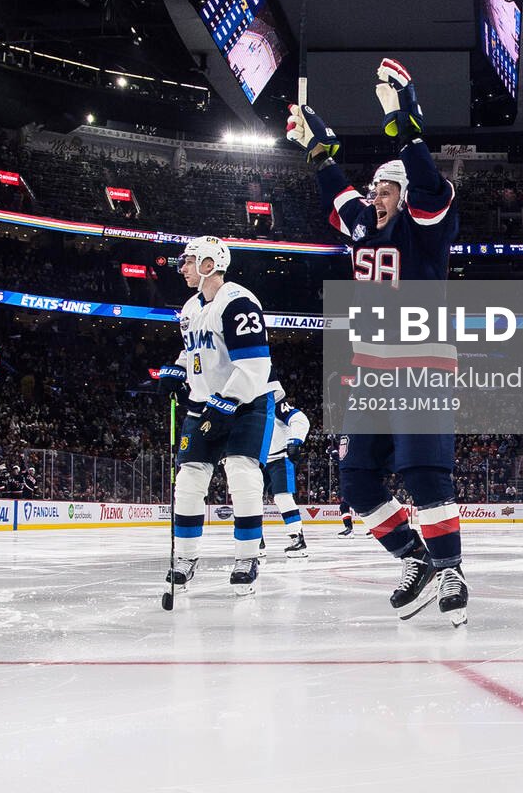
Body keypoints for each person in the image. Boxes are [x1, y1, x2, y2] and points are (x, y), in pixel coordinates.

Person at [288, 58, 466, 624]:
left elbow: (432, 186)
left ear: (405, 192)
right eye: (375, 189)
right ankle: (416, 558)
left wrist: (405, 121)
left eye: (385, 189)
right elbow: (337, 194)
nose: (375, 196)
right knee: (358, 478)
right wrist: (317, 149)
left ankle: (452, 569)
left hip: (422, 366)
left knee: (421, 473)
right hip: (371, 372)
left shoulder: (426, 224)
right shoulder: (365, 224)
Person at [161, 235, 279, 599]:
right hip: (205, 403)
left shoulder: (238, 302)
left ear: (209, 264)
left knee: (242, 474)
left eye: (188, 260)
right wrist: (176, 369)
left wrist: (226, 402)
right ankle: (186, 557)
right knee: (190, 480)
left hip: (246, 403)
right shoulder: (190, 308)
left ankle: (246, 559)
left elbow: (256, 364)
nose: (181, 267)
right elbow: (194, 352)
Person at [265, 386, 312, 555]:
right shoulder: (244, 405)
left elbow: (300, 419)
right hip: (257, 459)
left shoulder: (277, 404)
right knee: (250, 499)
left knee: (283, 497)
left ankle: (296, 537)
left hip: (279, 458)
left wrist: (295, 441)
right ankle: (255, 540)